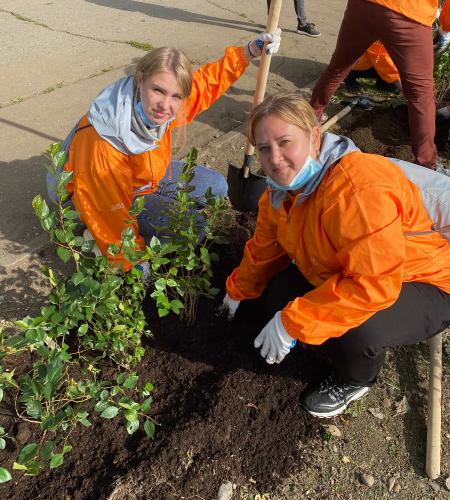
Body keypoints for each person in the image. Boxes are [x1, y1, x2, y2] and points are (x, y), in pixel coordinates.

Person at [221, 93, 450, 418]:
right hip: (348, 269)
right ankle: (318, 340)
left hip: (423, 281)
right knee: (279, 293)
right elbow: (266, 247)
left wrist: (293, 323)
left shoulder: (357, 189)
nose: (275, 158)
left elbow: (373, 287)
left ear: (314, 137)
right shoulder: (281, 189)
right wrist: (238, 289)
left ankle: (356, 378)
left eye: (285, 142)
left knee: (357, 328)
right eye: (264, 148)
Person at [52, 31, 281, 274]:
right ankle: (89, 234)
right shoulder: (103, 141)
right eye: (158, 91)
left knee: (216, 186)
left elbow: (205, 85)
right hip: (96, 198)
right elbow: (108, 210)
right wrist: (132, 265)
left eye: (175, 96)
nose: (165, 105)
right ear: (140, 79)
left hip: (140, 178)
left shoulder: (159, 108)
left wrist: (249, 52)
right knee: (191, 229)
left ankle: (149, 226)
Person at [310, 0, 449, 170]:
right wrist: (445, 28)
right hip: (410, 11)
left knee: (337, 68)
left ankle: (310, 120)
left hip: (363, 5)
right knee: (421, 94)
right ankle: (426, 164)